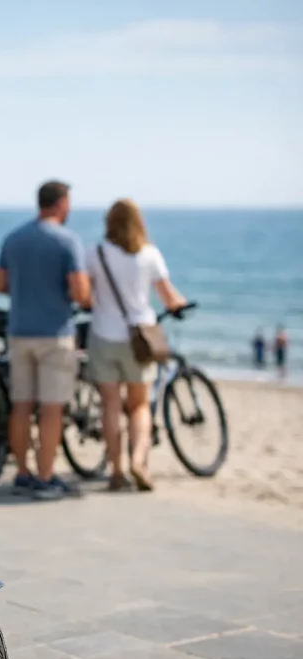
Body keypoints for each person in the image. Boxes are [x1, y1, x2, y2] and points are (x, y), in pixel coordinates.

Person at [0, 180, 91, 499]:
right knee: (52, 409)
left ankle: (22, 473)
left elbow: (0, 284)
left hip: (20, 332)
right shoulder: (68, 241)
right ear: (61, 204)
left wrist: (27, 290)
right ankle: (46, 476)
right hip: (55, 333)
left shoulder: (14, 238)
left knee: (21, 406)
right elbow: (80, 292)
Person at [85, 199, 186, 492]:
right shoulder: (150, 254)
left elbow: (85, 292)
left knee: (111, 405)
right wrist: (179, 304)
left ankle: (116, 470)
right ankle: (139, 462)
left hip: (104, 335)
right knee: (139, 405)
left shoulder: (96, 253)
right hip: (139, 338)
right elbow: (168, 296)